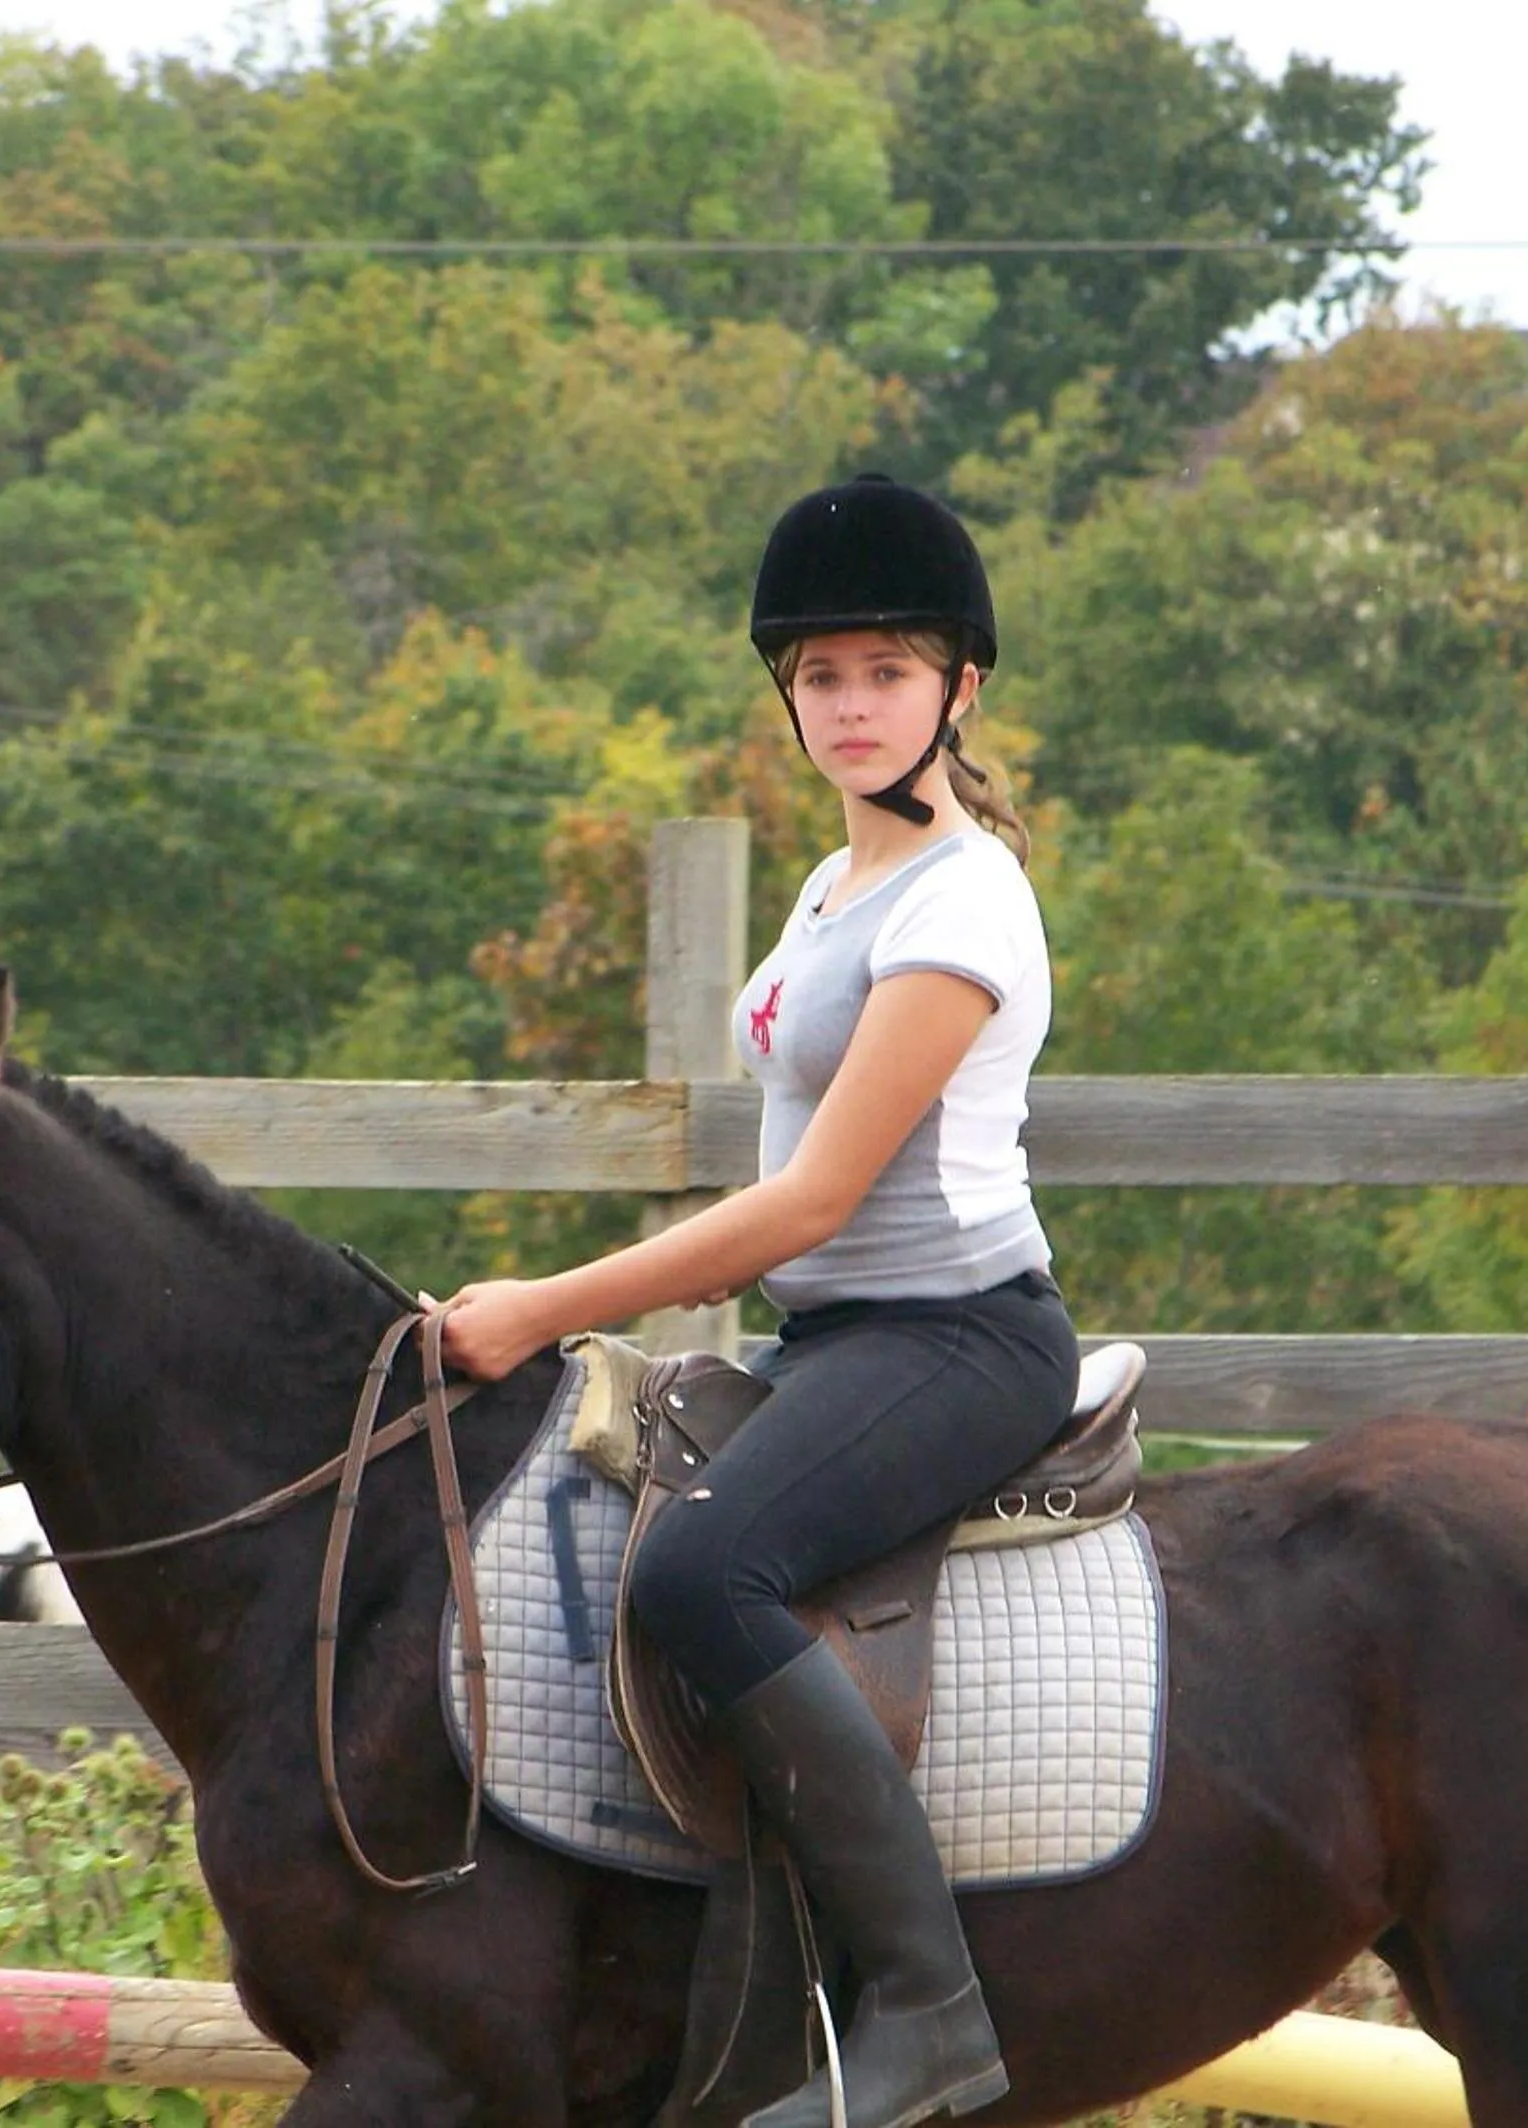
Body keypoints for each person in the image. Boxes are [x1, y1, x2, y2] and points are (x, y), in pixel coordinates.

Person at [439, 472, 1077, 2128]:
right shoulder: (831, 889)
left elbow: (812, 1200)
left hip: (960, 1340)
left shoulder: (965, 902)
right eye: (819, 679)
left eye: (883, 673)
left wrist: (543, 1304)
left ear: (962, 687)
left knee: (708, 1568)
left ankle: (934, 2011)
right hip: (837, 1340)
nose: (851, 708)